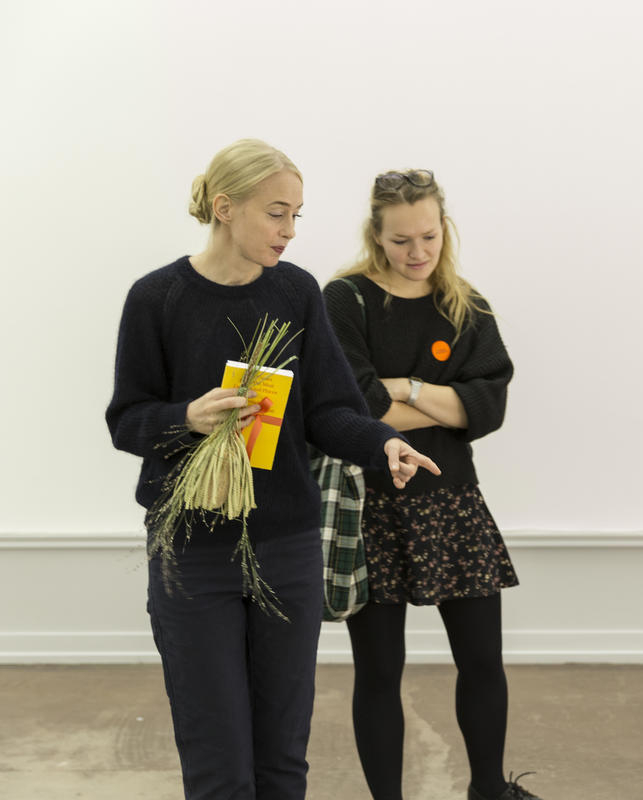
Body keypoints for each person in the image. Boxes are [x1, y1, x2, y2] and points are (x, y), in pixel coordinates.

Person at [105, 139, 440, 800]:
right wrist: (186, 418)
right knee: (219, 766)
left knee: (283, 761)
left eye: (296, 216)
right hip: (192, 554)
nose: (289, 230)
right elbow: (127, 419)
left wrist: (381, 443)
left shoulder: (296, 292)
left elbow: (329, 410)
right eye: (276, 214)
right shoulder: (157, 298)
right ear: (224, 208)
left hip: (286, 549)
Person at [323, 169, 536, 800]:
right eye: (400, 241)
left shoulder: (466, 304)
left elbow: (489, 406)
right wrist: (446, 402)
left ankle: (488, 790)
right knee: (379, 671)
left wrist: (404, 388)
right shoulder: (345, 300)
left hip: (452, 501)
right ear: (375, 235)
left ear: (445, 227)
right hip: (373, 503)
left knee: (483, 661)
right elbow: (352, 405)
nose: (418, 252)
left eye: (429, 236)